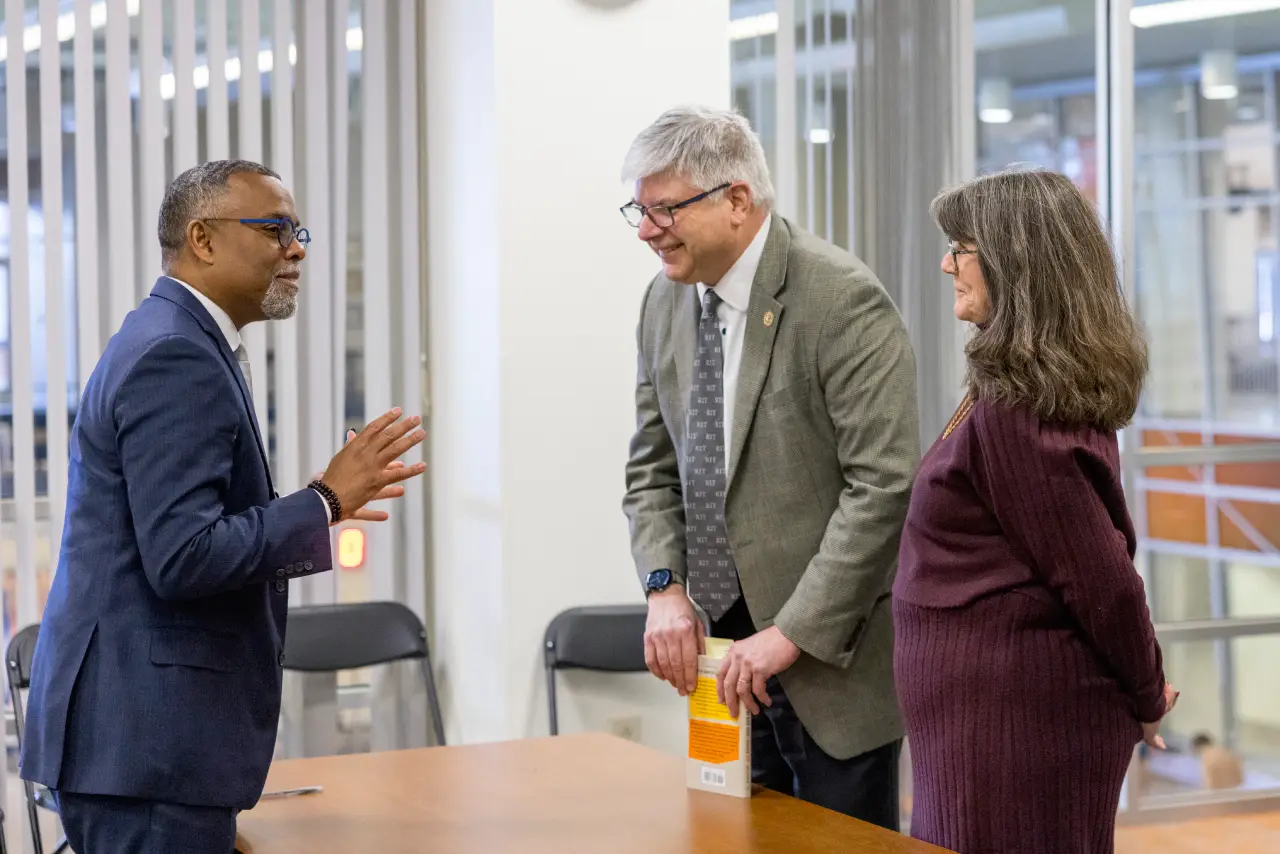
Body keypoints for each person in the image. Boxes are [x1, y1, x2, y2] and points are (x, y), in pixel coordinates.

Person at [20, 160, 426, 853]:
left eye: (298, 230)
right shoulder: (174, 355)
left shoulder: (176, 338)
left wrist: (311, 508)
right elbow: (183, 558)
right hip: (148, 755)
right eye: (274, 229)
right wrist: (323, 500)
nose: (296, 248)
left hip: (148, 755)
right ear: (203, 240)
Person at [620, 106, 919, 828]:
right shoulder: (664, 302)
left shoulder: (839, 298)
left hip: (826, 667)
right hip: (721, 667)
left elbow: (883, 485)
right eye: (638, 207)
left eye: (664, 209)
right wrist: (664, 588)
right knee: (727, 840)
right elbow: (651, 470)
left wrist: (788, 635)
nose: (645, 229)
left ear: (737, 200)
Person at [893, 166, 1178, 853]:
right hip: (990, 721)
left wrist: (1146, 692)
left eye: (961, 246)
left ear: (1014, 261)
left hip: (1018, 727)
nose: (945, 263)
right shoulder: (1015, 389)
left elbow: (1100, 580)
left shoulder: (1020, 408)